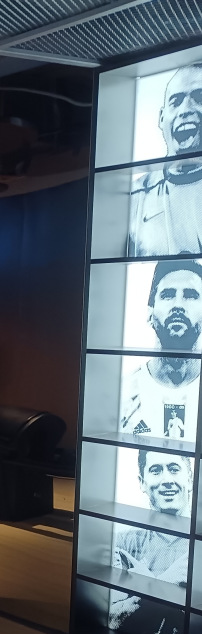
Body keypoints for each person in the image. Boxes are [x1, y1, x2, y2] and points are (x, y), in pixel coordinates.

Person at [109, 449, 190, 634]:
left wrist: (144, 587)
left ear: (189, 477)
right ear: (142, 482)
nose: (167, 480)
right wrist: (169, 582)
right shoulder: (122, 542)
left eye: (174, 469)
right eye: (156, 470)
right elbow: (112, 620)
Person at [119, 259, 202, 439]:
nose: (178, 305)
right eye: (167, 295)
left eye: (190, 295)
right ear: (150, 313)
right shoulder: (122, 393)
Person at [130, 63, 202, 256]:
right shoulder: (136, 196)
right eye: (176, 102)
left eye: (199, 98)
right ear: (161, 118)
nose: (185, 110)